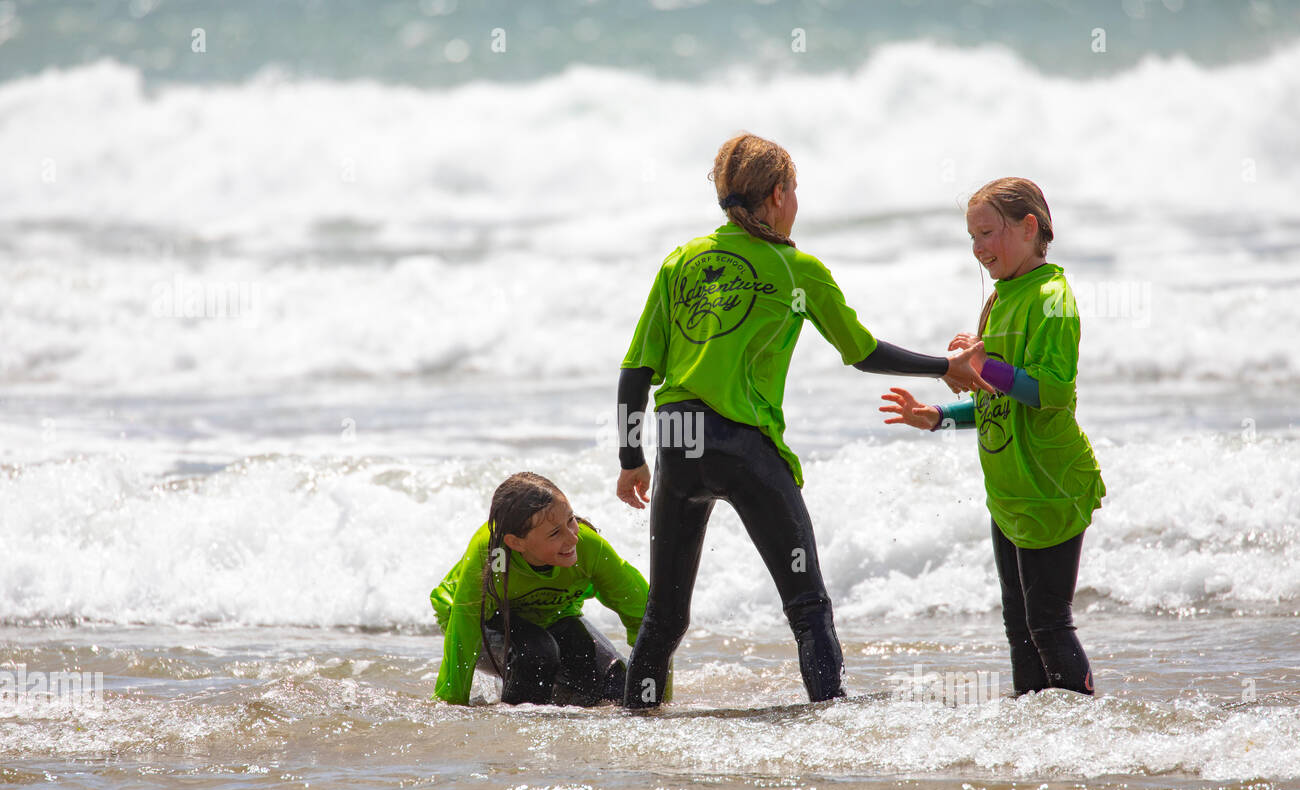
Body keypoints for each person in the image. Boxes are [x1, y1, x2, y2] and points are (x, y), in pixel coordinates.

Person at [615, 132, 991, 709]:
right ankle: (832, 716)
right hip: (742, 444)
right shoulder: (795, 268)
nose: (796, 204)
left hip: (678, 443)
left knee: (664, 616)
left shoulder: (681, 261)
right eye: (795, 192)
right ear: (776, 194)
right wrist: (944, 366)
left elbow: (636, 372)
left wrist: (630, 460)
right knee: (807, 604)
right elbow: (862, 351)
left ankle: (635, 720)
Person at [879, 177, 1105, 696]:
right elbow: (993, 399)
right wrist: (938, 416)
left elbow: (1050, 391)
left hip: (1050, 485)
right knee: (1020, 630)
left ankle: (1088, 736)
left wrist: (986, 363)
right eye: (971, 237)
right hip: (1008, 493)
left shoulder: (1051, 298)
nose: (978, 248)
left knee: (1049, 623)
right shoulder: (999, 299)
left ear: (1030, 228)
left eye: (987, 233)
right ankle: (1033, 742)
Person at [431, 472, 648, 706]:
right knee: (537, 654)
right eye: (555, 533)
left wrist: (655, 701)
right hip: (487, 618)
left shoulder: (588, 547)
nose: (573, 538)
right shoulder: (494, 556)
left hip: (553, 615)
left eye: (571, 520)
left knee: (616, 680)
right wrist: (451, 702)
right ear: (516, 542)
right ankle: (514, 731)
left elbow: (648, 619)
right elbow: (466, 628)